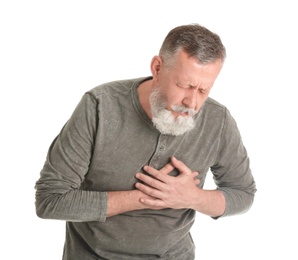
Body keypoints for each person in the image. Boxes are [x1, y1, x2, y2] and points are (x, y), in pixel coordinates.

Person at [35, 23, 256, 260]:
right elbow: (51, 200)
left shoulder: (218, 121)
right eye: (185, 85)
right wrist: (148, 198)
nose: (192, 103)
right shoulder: (99, 106)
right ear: (157, 68)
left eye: (203, 90)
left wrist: (191, 197)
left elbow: (243, 194)